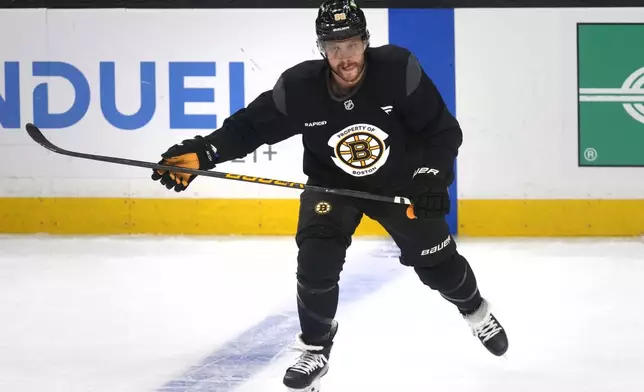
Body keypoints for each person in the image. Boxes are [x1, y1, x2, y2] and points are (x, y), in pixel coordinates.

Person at [151, 0, 509, 390]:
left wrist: (430, 179)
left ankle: (475, 311)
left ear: (366, 42)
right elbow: (251, 128)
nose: (345, 57)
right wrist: (204, 152)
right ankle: (316, 350)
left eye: (352, 44)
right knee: (316, 261)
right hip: (332, 186)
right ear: (321, 49)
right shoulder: (301, 88)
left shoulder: (399, 72)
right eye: (334, 47)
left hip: (401, 185)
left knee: (439, 265)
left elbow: (441, 132)